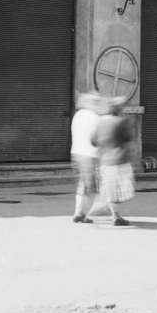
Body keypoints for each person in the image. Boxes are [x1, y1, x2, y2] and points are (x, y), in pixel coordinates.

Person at [85, 96, 136, 227]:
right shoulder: (121, 122)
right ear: (118, 110)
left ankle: (114, 213)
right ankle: (112, 213)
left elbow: (93, 141)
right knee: (118, 190)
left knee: (110, 189)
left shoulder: (99, 122)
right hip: (119, 159)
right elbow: (128, 139)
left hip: (104, 160)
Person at [70, 92, 101, 223]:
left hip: (77, 153)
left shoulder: (78, 115)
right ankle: (83, 214)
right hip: (90, 154)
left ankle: (78, 211)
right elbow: (95, 138)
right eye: (96, 102)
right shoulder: (94, 116)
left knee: (82, 185)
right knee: (92, 188)